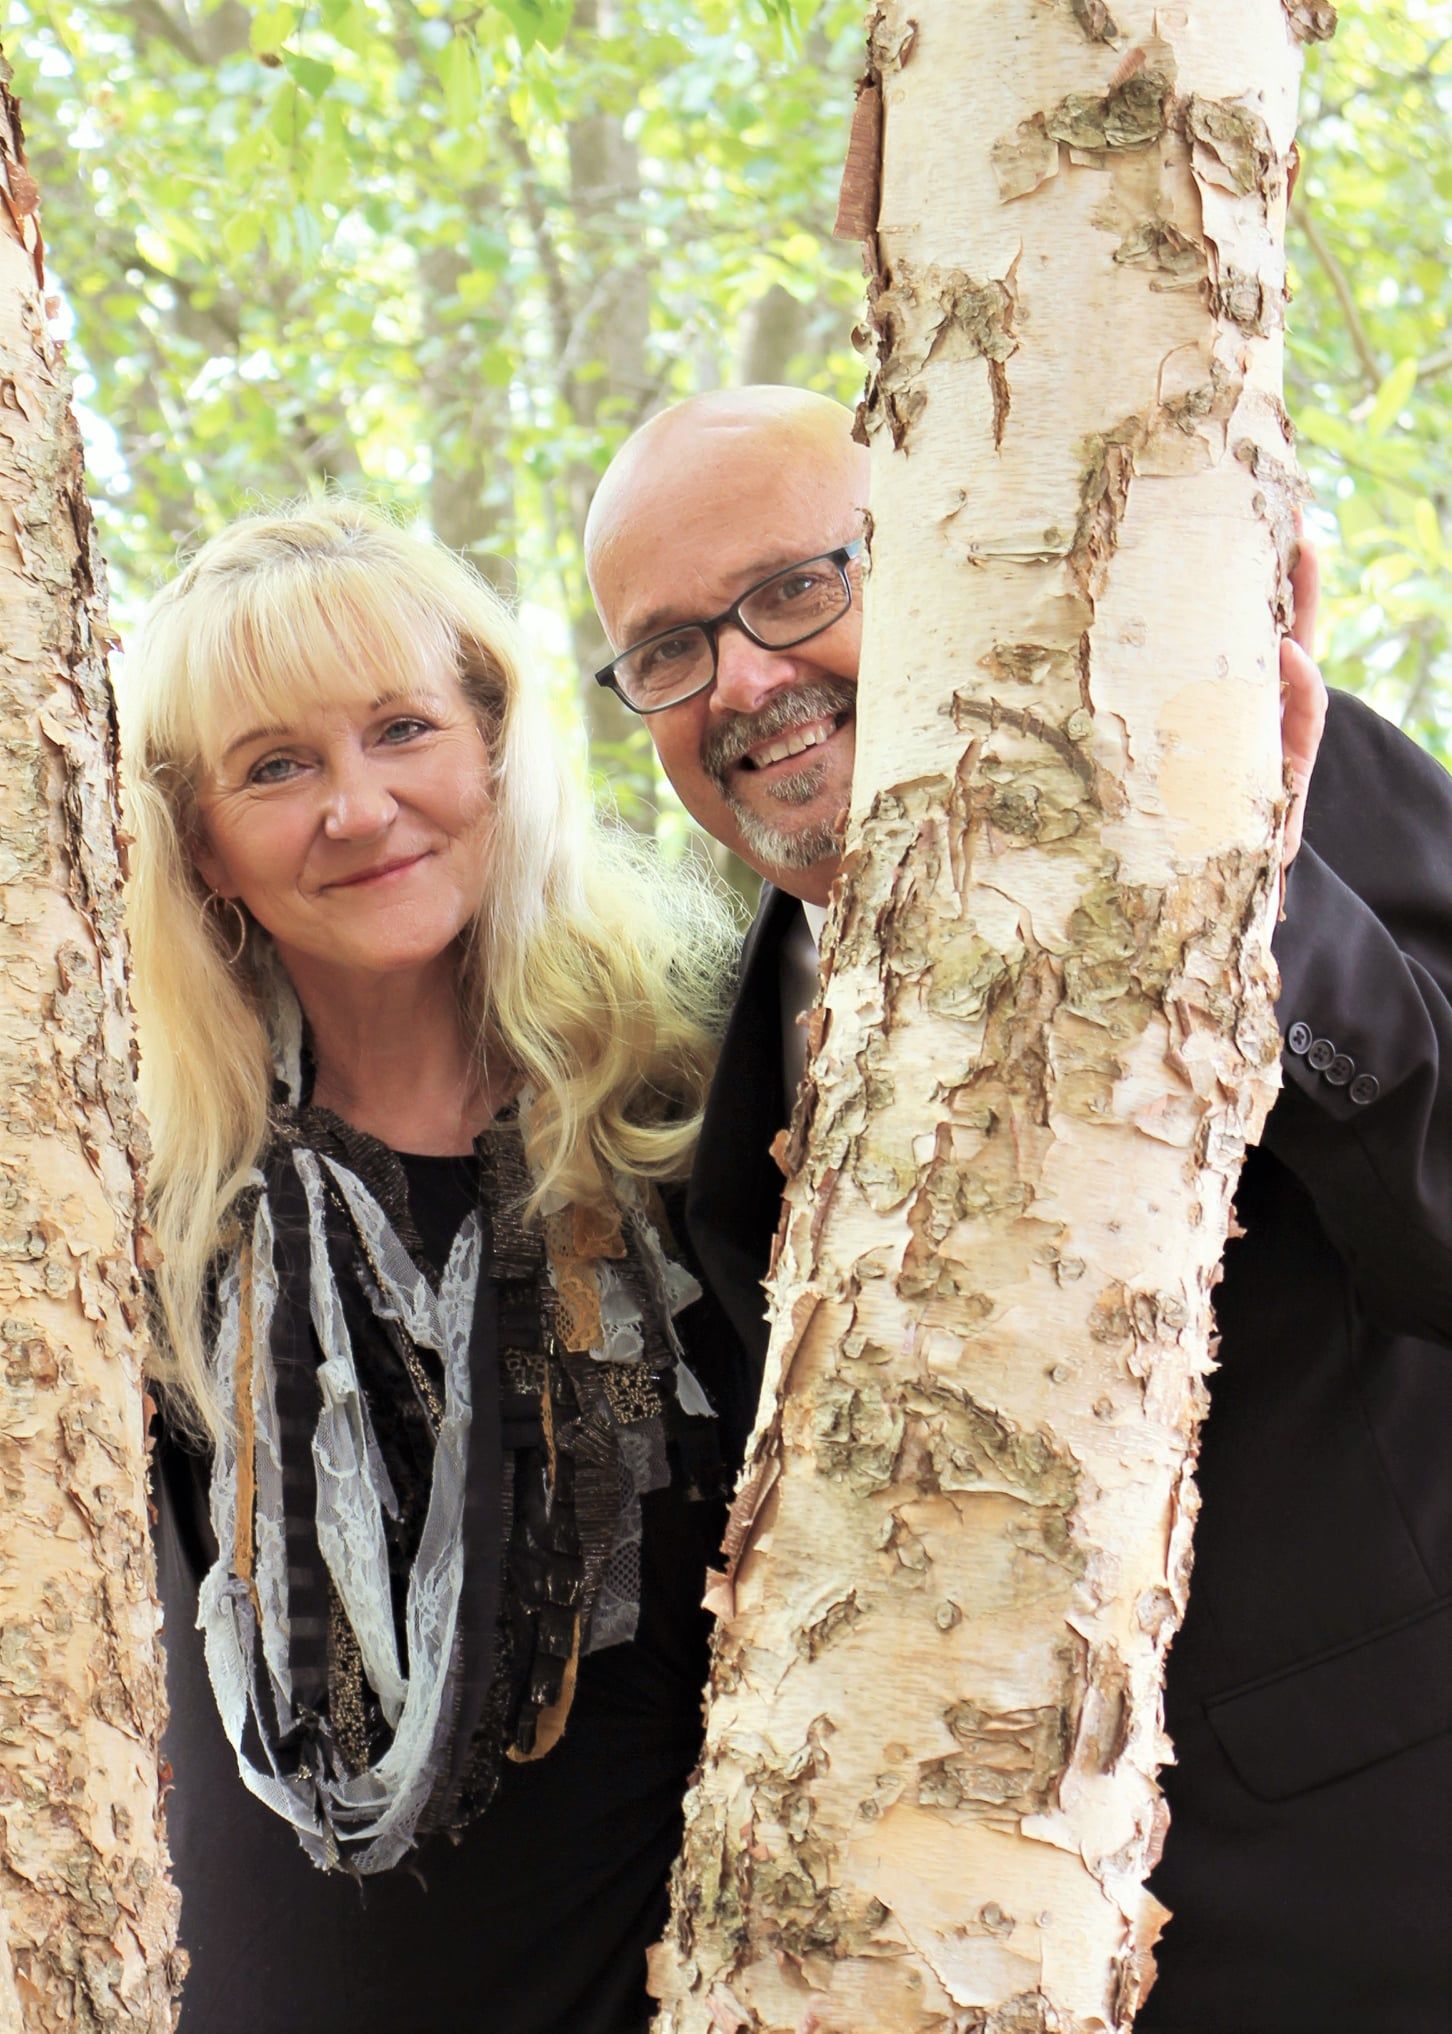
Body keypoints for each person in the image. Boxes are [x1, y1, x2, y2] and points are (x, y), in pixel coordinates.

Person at [584, 386, 1452, 2034]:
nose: (746, 680)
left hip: (1376, 1898)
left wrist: (1243, 883)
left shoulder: (1264, 772)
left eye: (793, 589)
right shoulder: (731, 1025)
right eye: (670, 651)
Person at [120, 499, 743, 2034]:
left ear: (493, 742)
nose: (359, 805)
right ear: (197, 835)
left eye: (403, 727)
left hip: (688, 1986)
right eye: (276, 765)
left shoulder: (696, 1100)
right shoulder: (132, 1212)